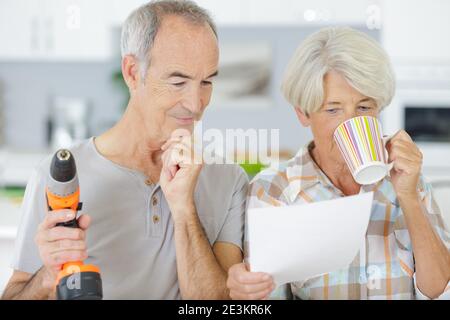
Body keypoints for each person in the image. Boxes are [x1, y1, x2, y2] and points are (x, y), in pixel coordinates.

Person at [2, 0, 247, 300]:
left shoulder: (230, 181)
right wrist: (48, 275)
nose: (196, 105)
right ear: (132, 72)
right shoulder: (58, 178)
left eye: (207, 81)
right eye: (178, 81)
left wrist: (184, 209)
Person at [227, 27, 450, 300]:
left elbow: (440, 291)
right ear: (303, 114)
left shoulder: (410, 182)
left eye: (364, 107)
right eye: (333, 109)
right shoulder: (273, 191)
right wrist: (247, 291)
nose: (351, 123)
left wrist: (409, 197)